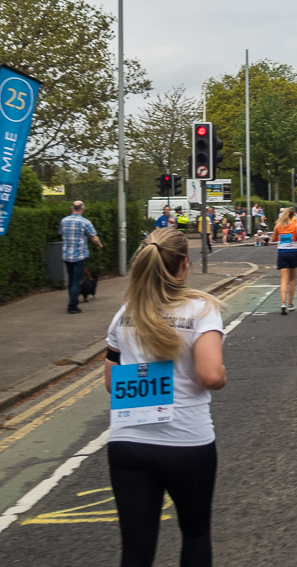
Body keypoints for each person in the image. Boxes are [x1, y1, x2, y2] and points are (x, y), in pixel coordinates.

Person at [105, 228, 225, 567]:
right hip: (186, 441)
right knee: (195, 533)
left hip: (127, 443)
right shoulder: (201, 310)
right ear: (184, 264)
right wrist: (222, 374)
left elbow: (112, 382)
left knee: (136, 549)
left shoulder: (124, 314)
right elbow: (211, 375)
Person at [60, 201, 102, 314]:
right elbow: (94, 238)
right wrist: (99, 245)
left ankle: (72, 302)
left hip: (67, 255)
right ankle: (72, 306)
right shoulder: (85, 222)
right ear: (82, 209)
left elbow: (62, 234)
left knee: (71, 279)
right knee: (76, 280)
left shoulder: (64, 221)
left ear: (72, 208)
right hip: (79, 255)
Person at [273, 208, 297, 314]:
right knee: (292, 279)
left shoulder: (279, 225)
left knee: (283, 279)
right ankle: (291, 304)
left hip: (282, 252)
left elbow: (273, 239)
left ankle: (283, 303)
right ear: (293, 215)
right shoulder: (295, 224)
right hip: (293, 252)